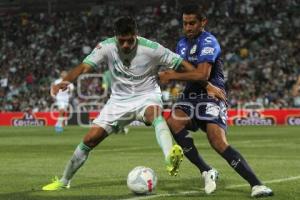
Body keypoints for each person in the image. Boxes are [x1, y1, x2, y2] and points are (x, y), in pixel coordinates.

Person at [42, 16, 225, 191]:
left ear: (136, 34)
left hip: (147, 96)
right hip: (118, 101)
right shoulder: (106, 47)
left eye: (130, 40)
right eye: (121, 41)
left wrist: (207, 84)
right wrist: (66, 80)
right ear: (116, 37)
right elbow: (84, 66)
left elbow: (183, 64)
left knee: (155, 114)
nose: (126, 45)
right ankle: (64, 181)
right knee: (89, 139)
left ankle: (170, 156)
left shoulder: (152, 49)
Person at [159, 4, 273, 197]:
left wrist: (170, 75)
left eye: (192, 23)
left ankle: (257, 185)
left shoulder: (208, 41)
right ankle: (206, 171)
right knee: (173, 121)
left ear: (203, 22)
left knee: (217, 142)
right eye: (185, 23)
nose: (188, 27)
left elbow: (203, 73)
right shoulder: (181, 43)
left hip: (211, 97)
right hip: (190, 97)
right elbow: (184, 70)